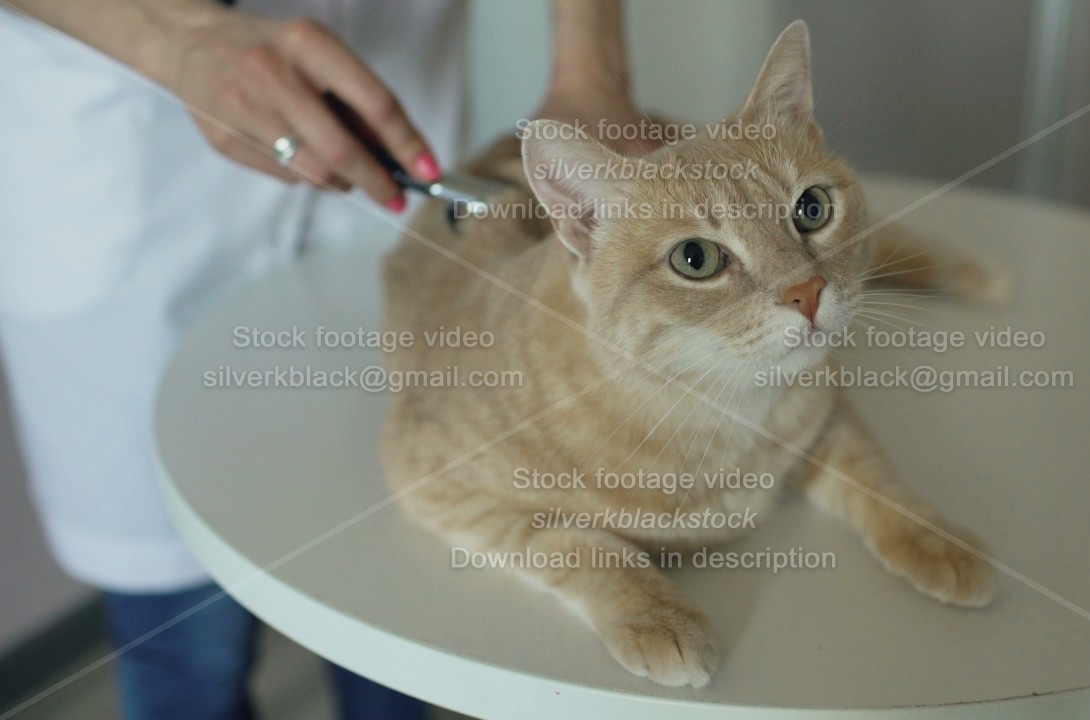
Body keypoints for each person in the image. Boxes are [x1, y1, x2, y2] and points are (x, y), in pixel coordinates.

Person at [0, 0, 649, 717]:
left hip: (389, 163)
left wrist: (594, 71)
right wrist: (175, 38)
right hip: (125, 175)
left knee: (396, 602)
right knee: (187, 646)